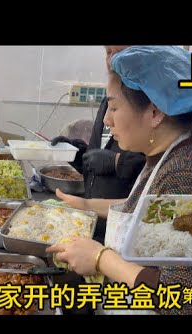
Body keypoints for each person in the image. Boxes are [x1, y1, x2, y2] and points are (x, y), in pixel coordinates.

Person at [47, 46, 192, 315]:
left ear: (155, 113)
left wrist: (100, 259)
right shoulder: (169, 151)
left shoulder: (187, 174)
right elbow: (149, 210)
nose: (107, 119)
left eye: (115, 107)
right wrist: (85, 206)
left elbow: (188, 298)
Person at [51, 46, 145, 243]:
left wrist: (118, 162)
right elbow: (102, 149)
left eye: (118, 52)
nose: (111, 60)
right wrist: (80, 155)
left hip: (122, 228)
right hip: (94, 220)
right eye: (107, 52)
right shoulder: (108, 100)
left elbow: (151, 167)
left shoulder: (145, 104)